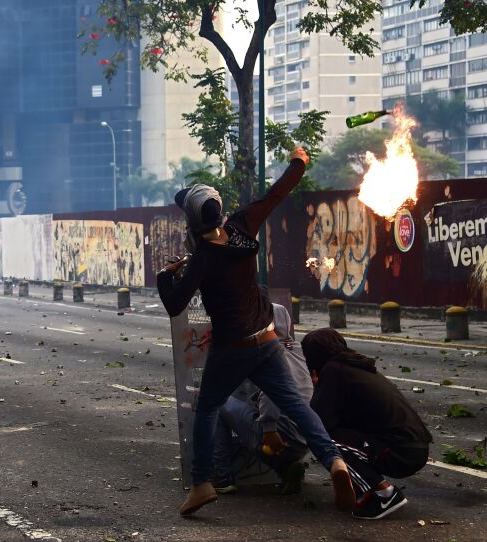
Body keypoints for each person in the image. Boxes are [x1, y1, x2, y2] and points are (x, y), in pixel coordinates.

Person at [157, 147, 356, 516]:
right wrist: (298, 161)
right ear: (220, 212)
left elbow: (174, 305)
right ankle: (333, 460)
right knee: (296, 405)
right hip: (266, 340)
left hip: (231, 348)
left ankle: (202, 484)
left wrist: (165, 276)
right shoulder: (243, 227)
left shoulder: (201, 259)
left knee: (207, 408)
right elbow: (277, 192)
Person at [301, 328, 432, 520]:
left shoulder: (333, 370)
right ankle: (363, 488)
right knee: (337, 434)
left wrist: (315, 386)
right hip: (413, 446)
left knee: (323, 439)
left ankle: (385, 494)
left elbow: (319, 421)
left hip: (400, 451)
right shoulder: (354, 365)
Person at [212, 303, 312, 495]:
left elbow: (271, 393)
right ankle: (286, 469)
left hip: (276, 437)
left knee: (217, 402)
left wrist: (269, 428)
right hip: (304, 439)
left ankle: (222, 476)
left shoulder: (268, 352)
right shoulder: (297, 350)